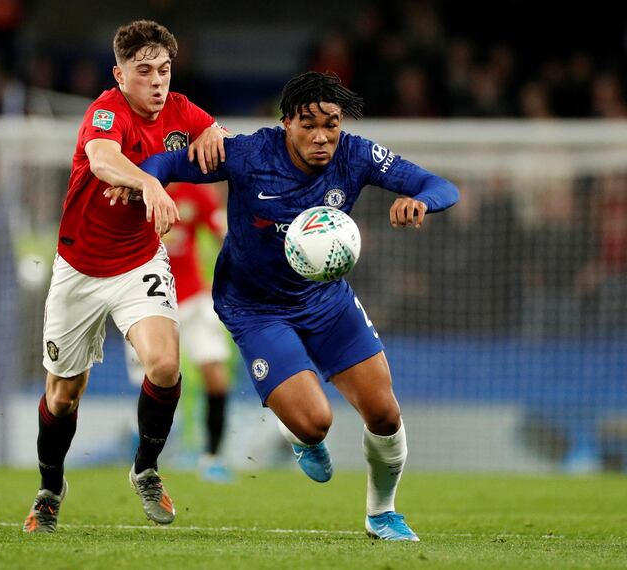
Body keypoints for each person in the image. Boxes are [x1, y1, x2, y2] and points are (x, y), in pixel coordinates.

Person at [108, 71, 459, 541]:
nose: (321, 136)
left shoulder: (356, 154)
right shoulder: (250, 153)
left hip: (326, 300)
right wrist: (145, 184)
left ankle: (383, 514)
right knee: (316, 424)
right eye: (308, 124)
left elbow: (439, 185)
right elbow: (166, 166)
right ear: (287, 123)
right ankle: (302, 437)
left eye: (330, 124)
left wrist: (420, 202)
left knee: (384, 413)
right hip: (254, 308)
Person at [22, 20, 228, 533]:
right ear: (119, 75)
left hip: (139, 263)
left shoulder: (180, 111)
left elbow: (216, 137)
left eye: (164, 70)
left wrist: (215, 141)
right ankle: (50, 488)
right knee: (63, 395)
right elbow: (102, 158)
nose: (157, 81)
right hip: (79, 269)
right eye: (144, 71)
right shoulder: (105, 112)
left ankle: (146, 469)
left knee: (164, 365)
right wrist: (151, 183)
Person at [124, 182, 233, 482]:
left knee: (215, 373)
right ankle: (142, 454)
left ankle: (213, 457)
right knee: (151, 379)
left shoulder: (194, 191)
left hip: (193, 298)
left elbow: (221, 233)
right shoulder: (134, 184)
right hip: (145, 300)